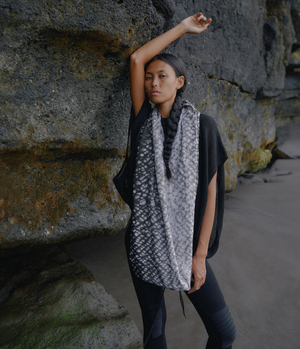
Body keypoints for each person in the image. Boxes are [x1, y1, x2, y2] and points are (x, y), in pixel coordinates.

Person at [114, 12, 236, 349]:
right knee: (154, 332)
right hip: (143, 242)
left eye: (162, 76)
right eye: (149, 78)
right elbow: (137, 58)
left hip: (186, 249)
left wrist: (199, 257)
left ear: (179, 81)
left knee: (224, 333)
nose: (153, 83)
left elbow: (211, 195)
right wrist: (182, 28)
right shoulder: (143, 121)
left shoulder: (203, 127)